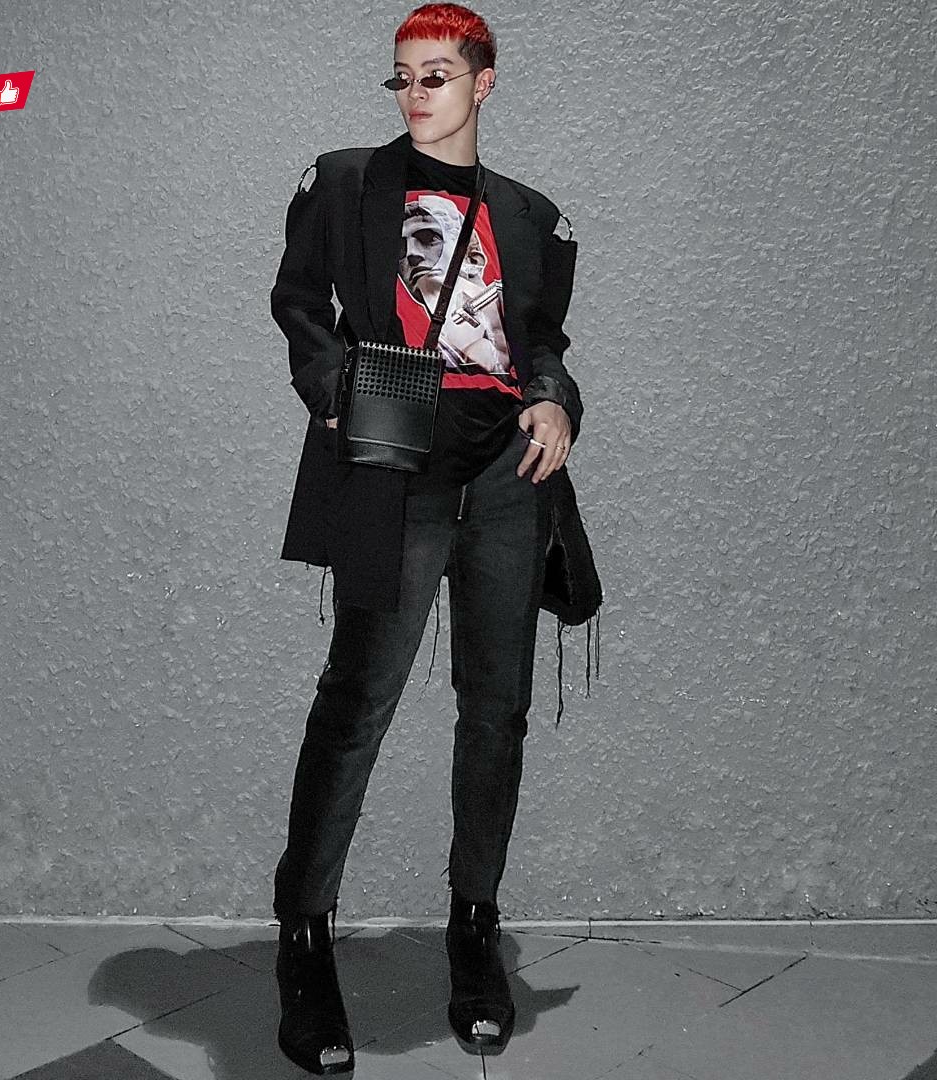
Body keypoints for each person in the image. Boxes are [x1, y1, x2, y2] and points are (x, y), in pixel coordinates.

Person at [269, 4, 584, 1073]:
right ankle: (303, 939)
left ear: (483, 83)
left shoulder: (532, 216)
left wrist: (554, 399)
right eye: (401, 77)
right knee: (358, 703)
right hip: (397, 460)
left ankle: (474, 929)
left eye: (436, 76)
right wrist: (335, 390)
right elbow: (298, 301)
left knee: (497, 711)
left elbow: (539, 340)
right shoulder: (346, 181)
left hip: (507, 478)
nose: (415, 95)